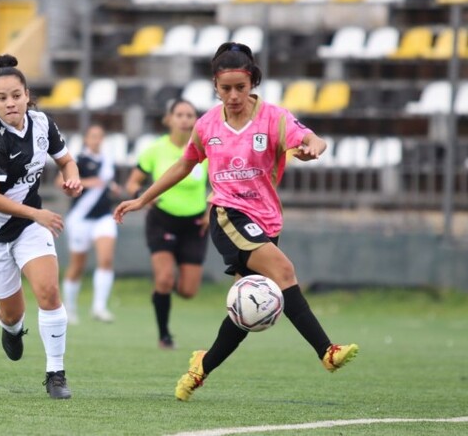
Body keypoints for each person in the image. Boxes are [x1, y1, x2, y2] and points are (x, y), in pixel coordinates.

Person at [114, 42, 359, 401]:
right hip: (227, 215)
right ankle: (327, 351)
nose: (232, 95)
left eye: (240, 88)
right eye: (225, 88)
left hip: (266, 222)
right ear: (215, 85)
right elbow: (184, 165)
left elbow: (308, 138)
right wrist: (142, 198)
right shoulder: (207, 124)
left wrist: (314, 147)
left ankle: (201, 367)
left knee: (248, 309)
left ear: (252, 83)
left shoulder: (273, 118)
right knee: (284, 271)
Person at [0, 54, 83, 400]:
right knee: (14, 312)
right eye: (2, 98)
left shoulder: (42, 123)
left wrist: (71, 179)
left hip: (29, 226)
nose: (10, 102)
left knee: (48, 292)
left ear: (27, 95)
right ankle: (10, 328)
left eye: (16, 95)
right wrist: (36, 213)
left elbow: (66, 160)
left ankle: (55, 374)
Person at [124, 99, 210, 349]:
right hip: (162, 220)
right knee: (164, 279)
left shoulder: (204, 149)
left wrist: (211, 208)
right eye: (179, 114)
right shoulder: (155, 149)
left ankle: (160, 296)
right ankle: (164, 335)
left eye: (190, 115)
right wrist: (143, 194)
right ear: (169, 119)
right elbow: (132, 183)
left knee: (187, 291)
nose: (185, 119)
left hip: (195, 224)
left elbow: (219, 180)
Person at [58, 124, 121, 324]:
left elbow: (107, 183)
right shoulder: (78, 160)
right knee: (77, 265)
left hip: (103, 217)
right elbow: (62, 181)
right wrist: (86, 183)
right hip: (80, 218)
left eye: (100, 136)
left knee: (106, 259)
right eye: (93, 136)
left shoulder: (108, 162)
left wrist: (112, 188)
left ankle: (99, 307)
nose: (97, 140)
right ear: (86, 139)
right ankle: (70, 308)